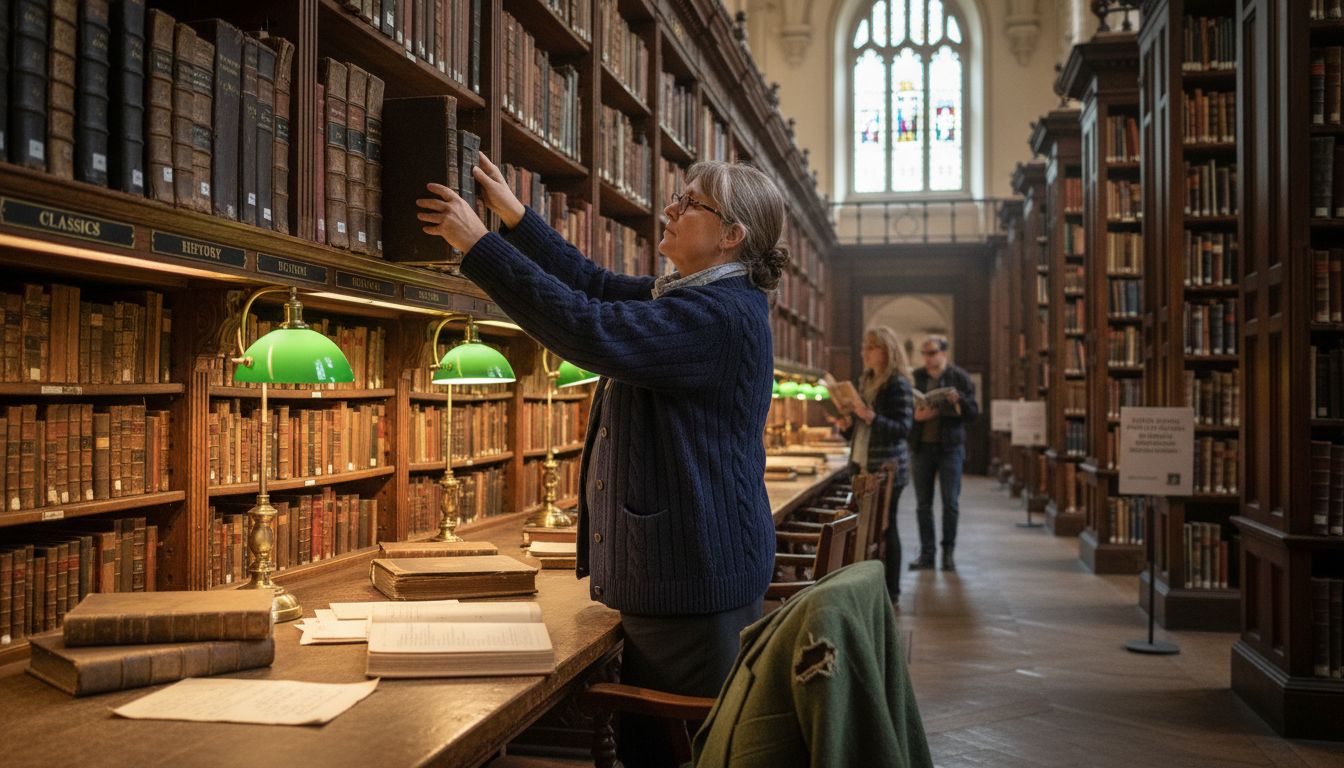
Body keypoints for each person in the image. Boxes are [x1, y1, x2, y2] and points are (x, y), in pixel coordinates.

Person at [416, 154, 788, 768]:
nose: (670, 208)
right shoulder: (698, 297)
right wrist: (515, 219)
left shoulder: (716, 317)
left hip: (693, 578)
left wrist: (479, 246)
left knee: (675, 755)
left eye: (690, 202)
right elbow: (594, 285)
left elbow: (589, 330)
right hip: (691, 568)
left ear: (732, 235)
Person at [833, 325, 913, 603]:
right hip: (862, 463)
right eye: (864, 347)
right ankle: (868, 587)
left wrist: (870, 417)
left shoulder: (897, 384)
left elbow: (903, 428)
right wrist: (847, 424)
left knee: (886, 527)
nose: (864, 353)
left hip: (886, 469)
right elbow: (859, 429)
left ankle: (892, 591)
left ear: (886, 351)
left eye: (871, 348)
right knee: (863, 529)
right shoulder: (865, 379)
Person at [909, 334, 979, 571]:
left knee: (950, 502)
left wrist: (958, 402)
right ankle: (927, 553)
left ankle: (948, 552)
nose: (927, 358)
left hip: (950, 448)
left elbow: (973, 414)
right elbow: (907, 410)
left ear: (943, 353)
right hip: (923, 447)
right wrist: (915, 417)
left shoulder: (958, 377)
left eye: (932, 352)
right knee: (923, 504)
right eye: (924, 353)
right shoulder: (916, 377)